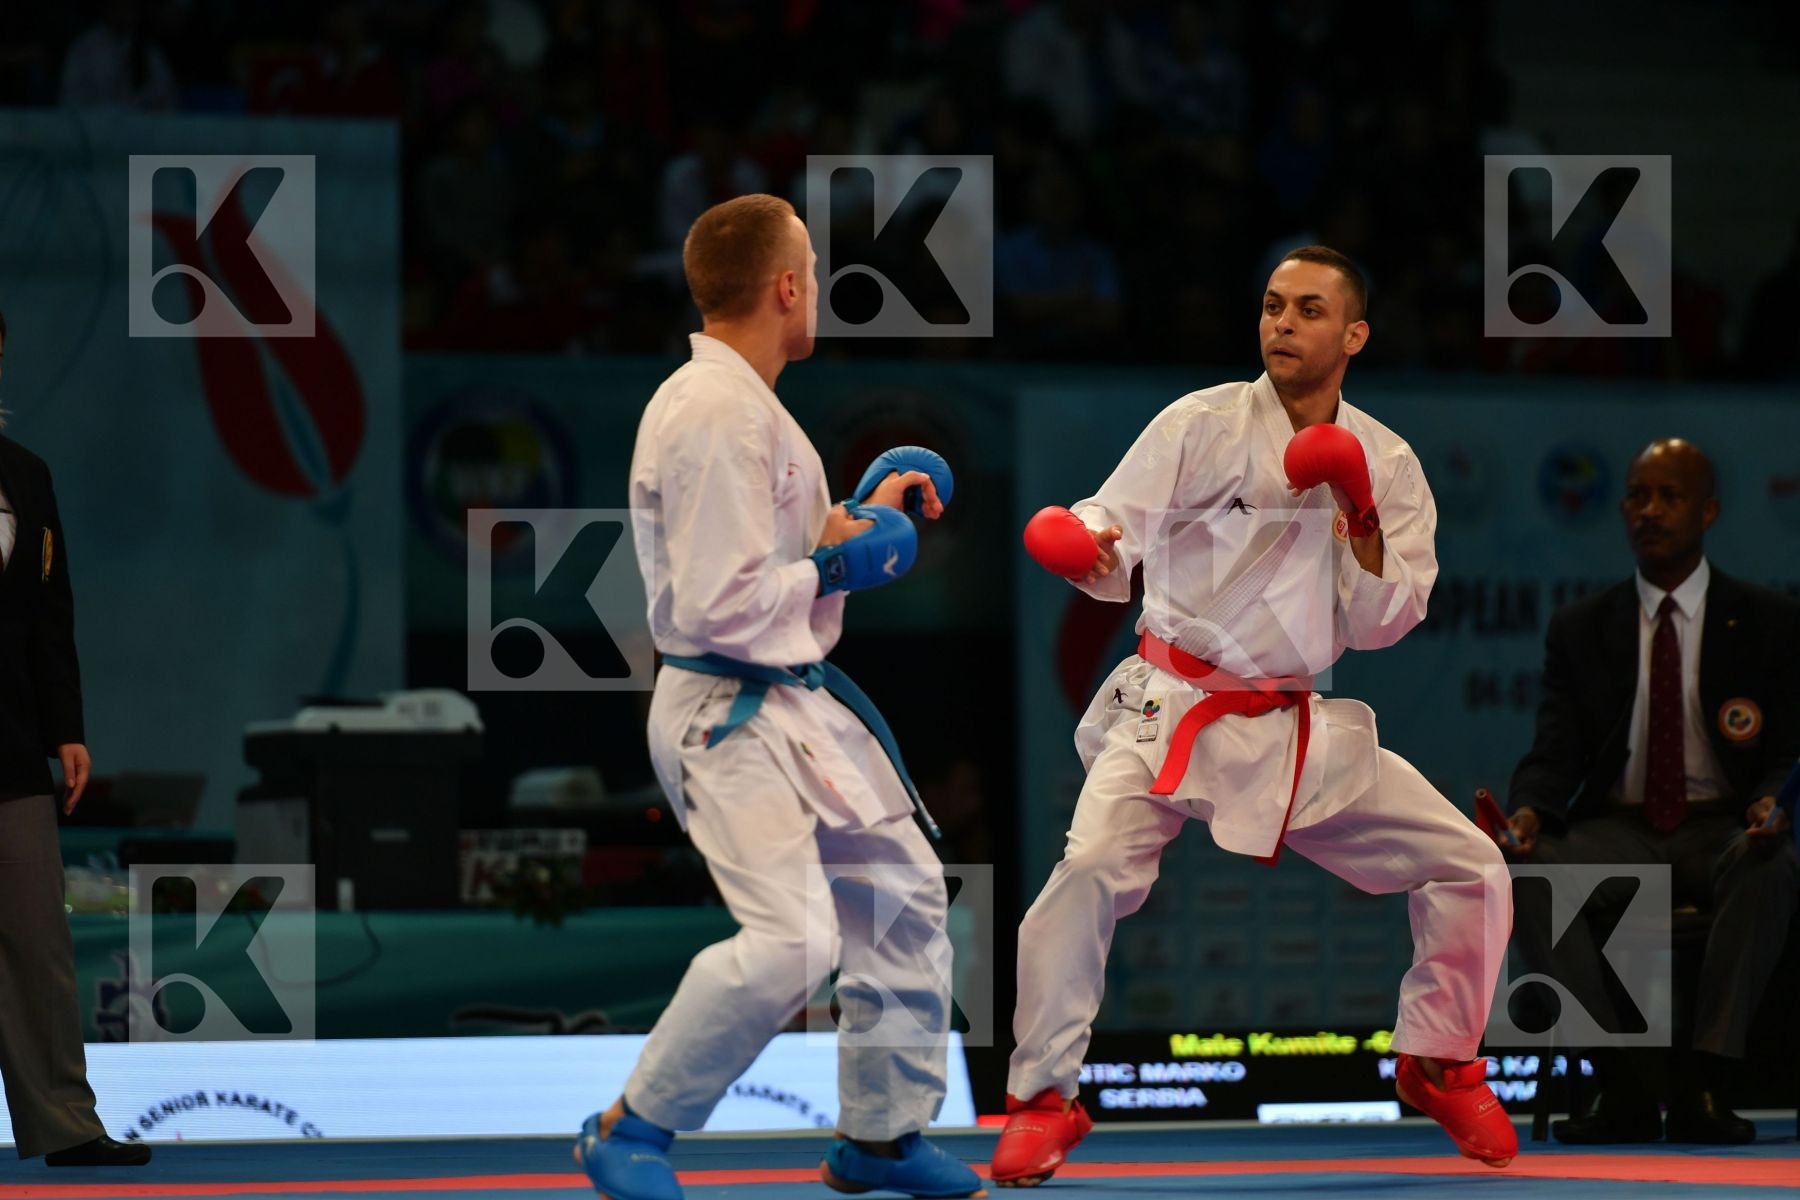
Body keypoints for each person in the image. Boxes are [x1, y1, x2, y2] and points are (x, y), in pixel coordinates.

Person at [999, 247, 1516, 1186]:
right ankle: (1043, 1099)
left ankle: (1439, 1061)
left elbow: (1386, 622)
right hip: (1169, 708)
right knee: (1085, 873)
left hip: (1291, 723)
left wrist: (1357, 512)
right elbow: (1115, 524)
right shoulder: (1198, 424)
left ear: (1353, 334)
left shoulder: (1388, 464)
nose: (1282, 322)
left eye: (1309, 309)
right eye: (1274, 305)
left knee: (1472, 865)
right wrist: (1083, 542)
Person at [576, 195, 984, 1200]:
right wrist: (845, 571)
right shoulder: (713, 411)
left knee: (902, 894)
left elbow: (774, 555)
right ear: (788, 285)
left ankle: (880, 1139)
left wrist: (858, 515)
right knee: (792, 939)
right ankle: (634, 1127)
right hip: (726, 707)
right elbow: (722, 603)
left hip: (789, 701)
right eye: (814, 270)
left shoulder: (750, 405)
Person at [1502, 438, 1799, 1145]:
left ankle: (1706, 1081)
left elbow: (1787, 749)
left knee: (1771, 864)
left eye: (1669, 497)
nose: (1650, 511)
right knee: (1525, 872)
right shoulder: (1582, 628)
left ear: (1709, 511)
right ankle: (1620, 1081)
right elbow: (1556, 751)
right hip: (1621, 827)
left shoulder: (1767, 620)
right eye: (1638, 497)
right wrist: (1527, 811)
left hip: (1719, 826)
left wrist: (1769, 801)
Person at [0, 310, 151, 1167]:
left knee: (37, 944)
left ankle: (65, 1123)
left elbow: (49, 621)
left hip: (12, 744)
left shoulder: (25, 474)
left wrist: (67, 730)